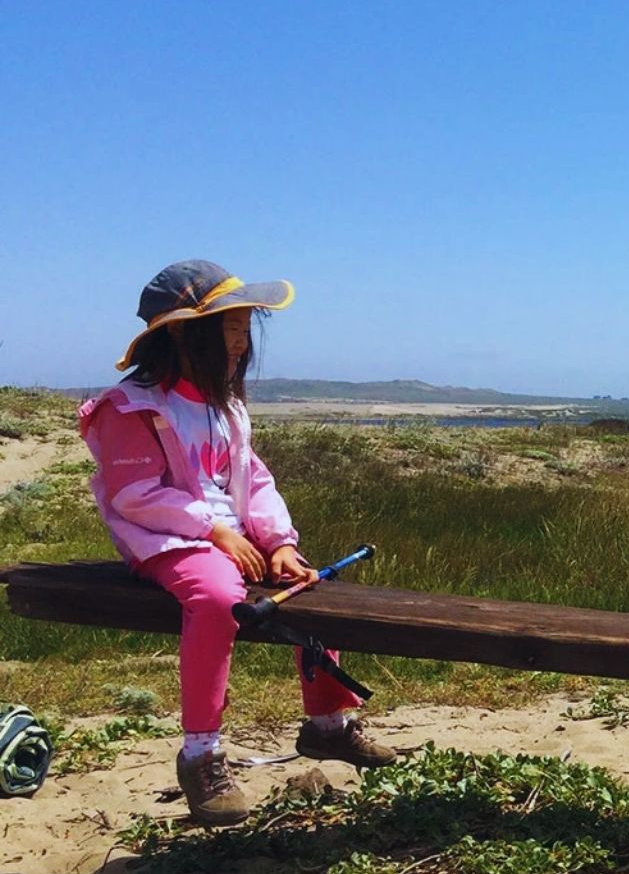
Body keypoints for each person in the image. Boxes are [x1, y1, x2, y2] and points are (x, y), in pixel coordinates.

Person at [78, 260, 396, 827]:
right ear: (179, 331)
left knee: (305, 582)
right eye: (228, 330)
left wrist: (277, 541)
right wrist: (214, 530)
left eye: (244, 330)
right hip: (167, 539)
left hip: (229, 535)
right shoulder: (131, 407)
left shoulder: (224, 404)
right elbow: (134, 494)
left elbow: (253, 477)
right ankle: (201, 753)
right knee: (216, 597)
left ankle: (328, 725)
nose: (239, 343)